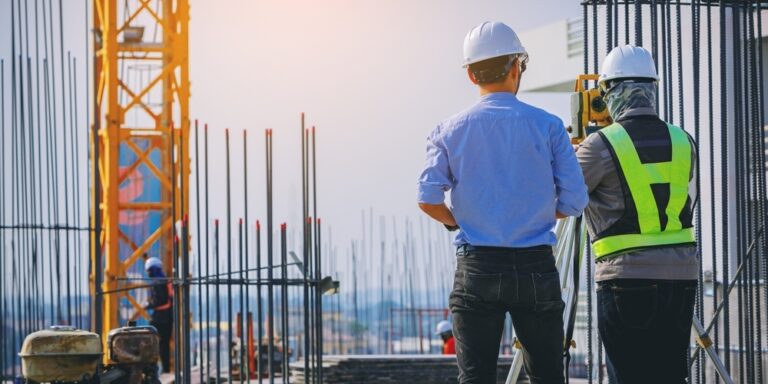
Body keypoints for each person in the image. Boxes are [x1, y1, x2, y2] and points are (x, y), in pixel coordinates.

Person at [417, 21, 588, 384]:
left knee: (475, 377)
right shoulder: (549, 126)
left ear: (470, 75)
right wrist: (539, 213)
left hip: (477, 265)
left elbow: (428, 198)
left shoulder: (449, 130)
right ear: (516, 67)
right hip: (535, 267)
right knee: (547, 376)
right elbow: (575, 201)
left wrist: (458, 222)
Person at [576, 45, 698, 384]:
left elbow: (564, 197)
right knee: (670, 374)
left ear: (610, 91)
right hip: (681, 277)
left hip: (625, 280)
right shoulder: (683, 139)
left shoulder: (601, 145)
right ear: (652, 88)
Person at [144, 256, 174, 374]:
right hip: (168, 317)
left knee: (150, 343)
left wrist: (148, 304)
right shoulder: (165, 280)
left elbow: (159, 301)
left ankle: (151, 370)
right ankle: (165, 370)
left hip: (159, 318)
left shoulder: (157, 282)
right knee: (164, 345)